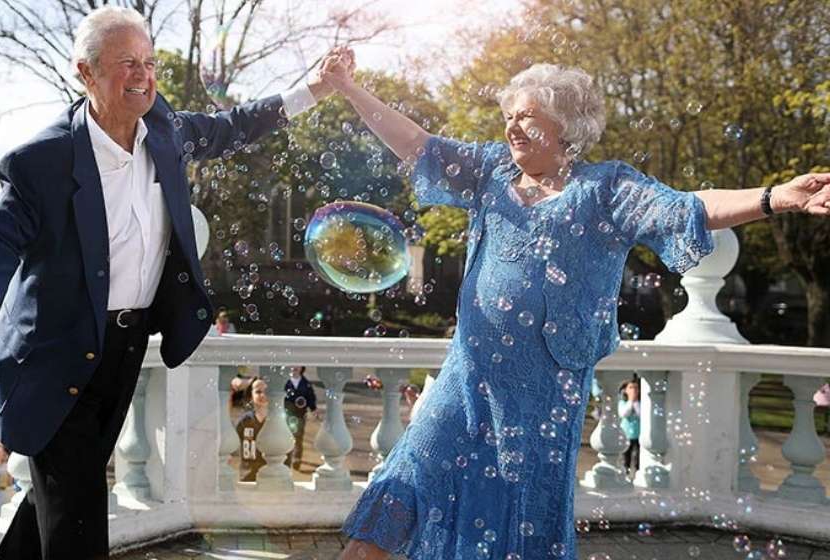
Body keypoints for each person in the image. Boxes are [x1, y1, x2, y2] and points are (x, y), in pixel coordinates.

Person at [318, 48, 830, 560]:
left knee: (523, 519)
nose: (513, 127)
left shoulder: (605, 188)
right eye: (509, 117)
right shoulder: (489, 172)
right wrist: (348, 88)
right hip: (467, 377)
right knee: (405, 484)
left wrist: (775, 198)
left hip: (545, 388)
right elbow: (417, 144)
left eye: (527, 117)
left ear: (565, 126)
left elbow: (689, 206)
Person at [0, 7, 337, 558]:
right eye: (126, 63)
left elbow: (234, 125)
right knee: (76, 517)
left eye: (148, 62)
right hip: (56, 354)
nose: (142, 75)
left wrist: (312, 89)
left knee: (59, 495)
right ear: (86, 72)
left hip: (125, 347)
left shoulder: (165, 130)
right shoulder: (42, 161)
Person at [284, 366, 317, 471]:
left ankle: (297, 458)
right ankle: (286, 458)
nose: (294, 367)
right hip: (286, 414)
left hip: (299, 415)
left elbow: (311, 397)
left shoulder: (306, 383)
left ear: (302, 367)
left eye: (297, 365)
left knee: (298, 437)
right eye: (292, 365)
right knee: (286, 436)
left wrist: (313, 409)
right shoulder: (285, 382)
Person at [236, 378, 269, 482]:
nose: (262, 395)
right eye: (258, 392)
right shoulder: (243, 422)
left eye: (266, 391)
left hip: (271, 476)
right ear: (251, 396)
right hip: (247, 476)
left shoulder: (277, 422)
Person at [618, 378, 641, 474]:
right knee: (626, 455)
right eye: (631, 387)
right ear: (626, 390)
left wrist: (635, 402)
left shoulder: (640, 404)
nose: (633, 390)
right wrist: (630, 401)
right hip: (626, 433)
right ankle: (626, 471)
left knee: (638, 456)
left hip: (638, 433)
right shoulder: (622, 403)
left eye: (636, 388)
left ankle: (637, 471)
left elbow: (641, 414)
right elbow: (623, 414)